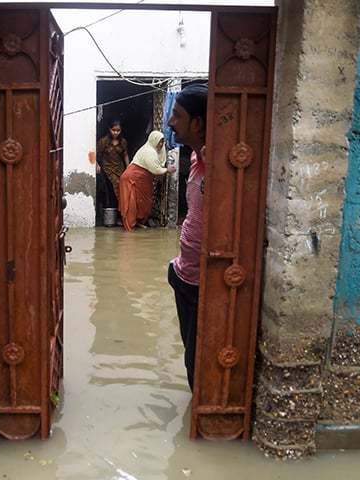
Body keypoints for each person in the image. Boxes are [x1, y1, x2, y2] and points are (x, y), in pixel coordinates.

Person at [166, 84, 207, 390]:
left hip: (204, 282)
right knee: (190, 355)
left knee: (199, 363)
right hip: (183, 274)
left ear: (198, 124)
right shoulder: (195, 159)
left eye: (177, 115)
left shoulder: (219, 164)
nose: (170, 122)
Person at [118, 131, 176, 231]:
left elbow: (158, 164)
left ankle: (137, 222)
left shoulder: (156, 151)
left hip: (141, 179)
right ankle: (129, 229)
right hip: (131, 179)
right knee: (130, 203)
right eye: (159, 142)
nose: (161, 144)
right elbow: (155, 169)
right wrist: (167, 170)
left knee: (143, 202)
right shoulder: (149, 151)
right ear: (153, 141)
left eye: (162, 141)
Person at [96, 120, 129, 205]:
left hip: (119, 168)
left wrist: (128, 167)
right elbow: (96, 153)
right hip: (108, 168)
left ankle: (121, 210)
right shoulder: (103, 141)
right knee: (114, 187)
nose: (115, 133)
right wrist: (97, 164)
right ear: (109, 129)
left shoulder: (123, 142)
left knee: (123, 187)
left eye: (118, 131)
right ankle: (116, 209)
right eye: (113, 130)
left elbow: (125, 155)